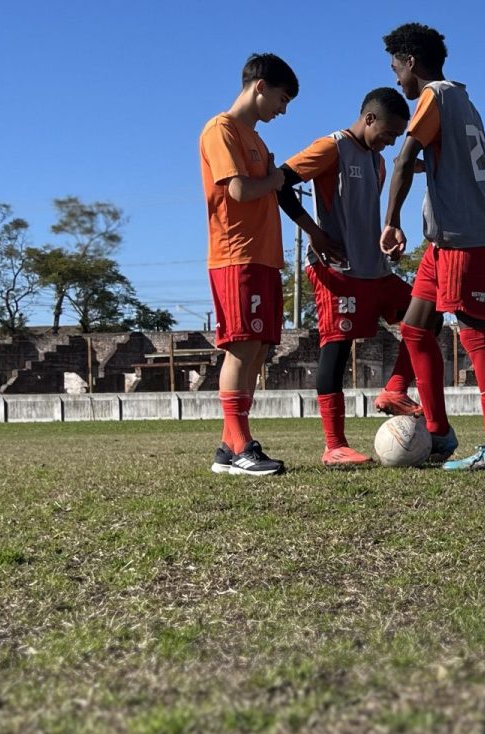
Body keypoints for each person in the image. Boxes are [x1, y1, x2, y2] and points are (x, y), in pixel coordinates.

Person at [379, 22, 485, 470]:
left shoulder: (434, 96)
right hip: (445, 241)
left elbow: (402, 158)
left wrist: (391, 221)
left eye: (396, 68)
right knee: (416, 328)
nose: (396, 78)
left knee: (474, 334)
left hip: (466, 237)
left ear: (411, 63)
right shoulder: (465, 101)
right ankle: (438, 433)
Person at [276, 88, 421, 468]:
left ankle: (394, 390)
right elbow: (281, 183)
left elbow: (363, 214)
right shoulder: (330, 147)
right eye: (388, 134)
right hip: (335, 270)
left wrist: (389, 233)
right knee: (336, 346)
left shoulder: (377, 161)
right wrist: (314, 232)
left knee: (426, 312)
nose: (390, 143)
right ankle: (334, 445)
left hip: (374, 267)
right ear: (369, 119)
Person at [199, 53, 297, 476]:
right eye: (281, 98)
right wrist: (275, 180)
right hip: (235, 255)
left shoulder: (255, 139)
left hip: (264, 258)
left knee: (257, 349)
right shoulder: (221, 129)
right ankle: (239, 446)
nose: (283, 109)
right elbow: (238, 191)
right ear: (260, 86)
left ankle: (229, 446)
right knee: (240, 347)